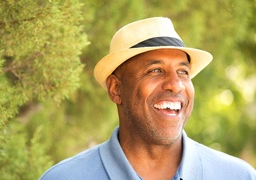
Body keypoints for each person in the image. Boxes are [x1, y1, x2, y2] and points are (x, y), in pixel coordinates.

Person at [40, 17, 256, 180]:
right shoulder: (64, 177)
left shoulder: (238, 176)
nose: (175, 84)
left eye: (183, 72)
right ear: (116, 89)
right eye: (155, 70)